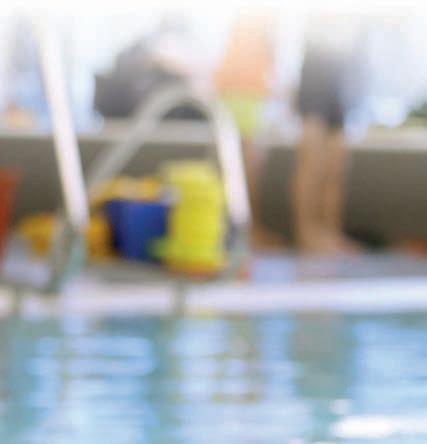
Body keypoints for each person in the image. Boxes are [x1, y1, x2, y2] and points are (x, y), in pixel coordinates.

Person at [293, 14, 367, 253]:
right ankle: (306, 234)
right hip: (317, 66)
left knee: (336, 165)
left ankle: (331, 232)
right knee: (312, 162)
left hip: (344, 65)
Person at [214, 10, 287, 250]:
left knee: (240, 167)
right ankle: (247, 231)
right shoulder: (257, 19)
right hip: (245, 92)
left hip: (238, 91)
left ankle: (242, 231)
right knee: (247, 168)